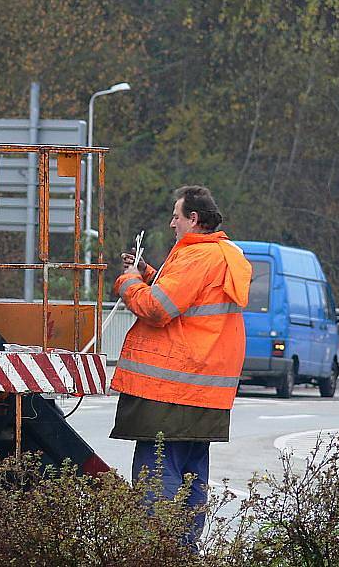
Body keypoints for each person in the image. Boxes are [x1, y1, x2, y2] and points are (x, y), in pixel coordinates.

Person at [109, 185, 251, 543]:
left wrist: (128, 281)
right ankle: (184, 551)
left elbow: (159, 309)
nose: (171, 224)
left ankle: (158, 552)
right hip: (203, 395)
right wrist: (148, 272)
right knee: (191, 478)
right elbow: (187, 297)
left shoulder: (196, 257)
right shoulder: (222, 254)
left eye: (176, 216)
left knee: (159, 477)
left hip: (169, 393)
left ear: (193, 219)